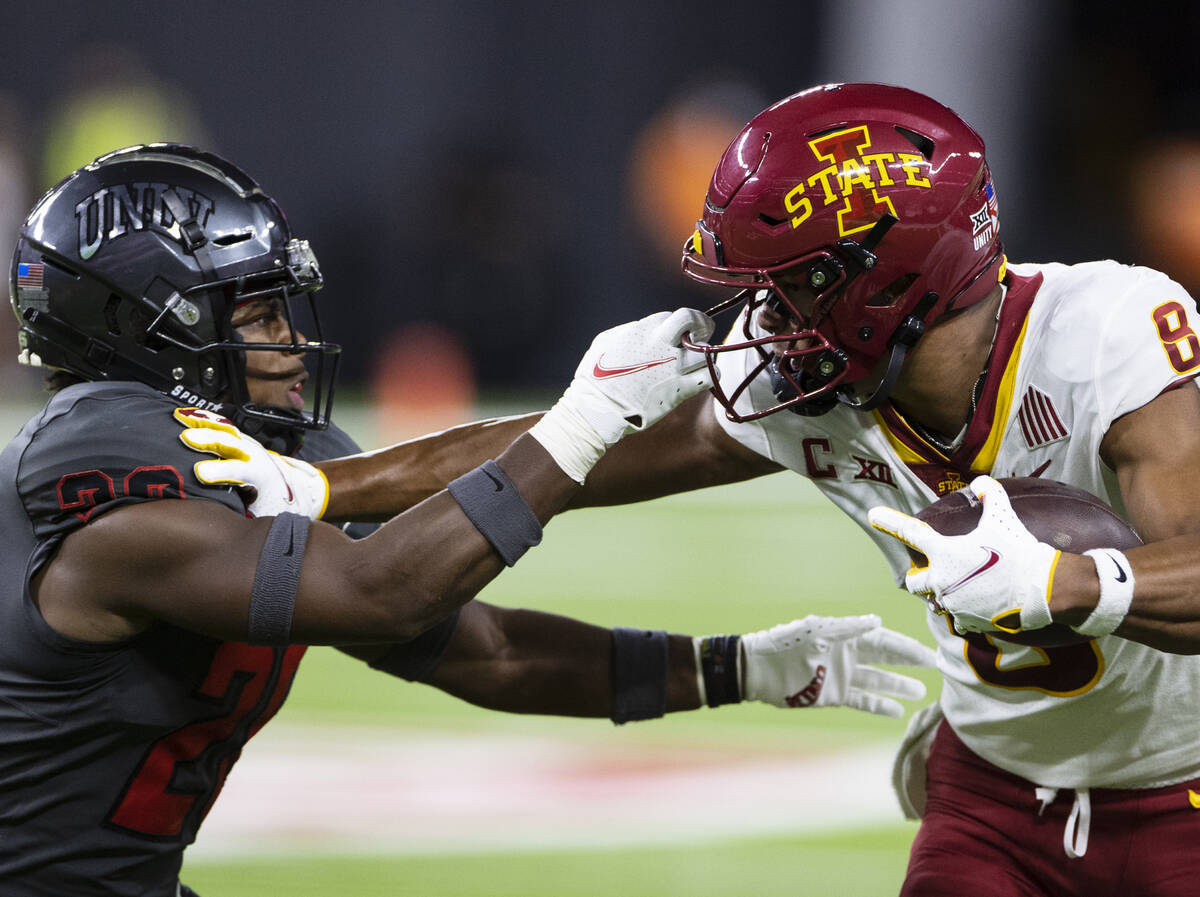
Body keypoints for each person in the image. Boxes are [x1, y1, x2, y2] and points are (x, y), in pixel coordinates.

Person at [232, 83, 1200, 896]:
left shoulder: (1102, 338)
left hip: (1181, 793)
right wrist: (315, 487)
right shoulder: (818, 389)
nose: (761, 320)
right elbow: (558, 459)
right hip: (990, 798)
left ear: (888, 275)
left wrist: (1066, 584)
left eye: (790, 286)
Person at [0, 143, 935, 897]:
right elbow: (380, 593)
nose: (290, 342)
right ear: (150, 327)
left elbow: (489, 651)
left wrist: (737, 666)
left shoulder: (246, 459)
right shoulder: (112, 490)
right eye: (257, 314)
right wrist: (584, 420)